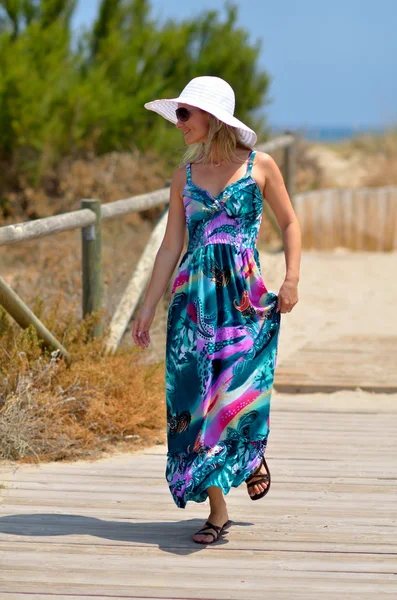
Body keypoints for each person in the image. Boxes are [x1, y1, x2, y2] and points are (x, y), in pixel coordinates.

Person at [132, 76, 301, 544]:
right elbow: (170, 246)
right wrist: (146, 309)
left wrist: (291, 279)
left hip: (245, 298)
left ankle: (248, 455)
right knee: (194, 400)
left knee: (239, 389)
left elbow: (289, 222)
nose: (179, 123)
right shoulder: (183, 175)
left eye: (185, 114)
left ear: (212, 117)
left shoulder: (259, 166)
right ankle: (218, 511)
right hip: (192, 303)